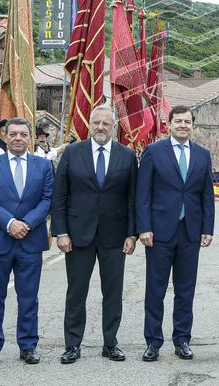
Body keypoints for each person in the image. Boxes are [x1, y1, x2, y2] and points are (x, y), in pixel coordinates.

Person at [51, 106, 137, 364]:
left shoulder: (127, 155)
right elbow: (60, 195)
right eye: (96, 123)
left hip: (115, 236)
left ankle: (110, 343)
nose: (101, 127)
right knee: (76, 292)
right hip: (78, 235)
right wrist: (61, 231)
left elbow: (133, 198)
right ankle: (72, 345)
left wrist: (131, 234)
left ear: (114, 127)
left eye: (106, 124)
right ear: (89, 124)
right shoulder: (72, 153)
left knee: (113, 292)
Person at [136, 106, 215, 362]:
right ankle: (153, 342)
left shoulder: (203, 155)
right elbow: (142, 193)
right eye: (178, 121)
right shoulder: (154, 152)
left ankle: (182, 339)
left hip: (190, 231)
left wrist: (207, 228)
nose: (183, 125)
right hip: (159, 232)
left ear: (193, 125)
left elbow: (206, 195)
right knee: (155, 289)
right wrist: (144, 227)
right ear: (168, 124)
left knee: (185, 289)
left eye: (188, 121)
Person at [0, 117, 53, 367]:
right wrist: (10, 223)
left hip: (30, 241)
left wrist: (27, 224)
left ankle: (28, 345)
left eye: (23, 134)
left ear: (30, 138)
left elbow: (47, 199)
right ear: (5, 137)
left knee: (29, 297)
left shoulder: (43, 166)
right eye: (13, 134)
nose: (18, 138)